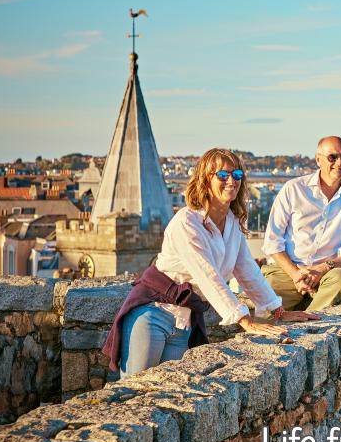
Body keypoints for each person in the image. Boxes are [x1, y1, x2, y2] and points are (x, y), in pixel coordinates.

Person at [102, 148, 316, 377]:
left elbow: (248, 271)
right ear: (205, 179)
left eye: (237, 175)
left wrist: (277, 311)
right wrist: (245, 321)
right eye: (222, 175)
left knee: (168, 388)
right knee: (135, 389)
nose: (231, 181)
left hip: (184, 320)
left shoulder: (232, 223)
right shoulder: (187, 222)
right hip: (152, 313)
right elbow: (208, 277)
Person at [261, 136, 341, 311]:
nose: (340, 162)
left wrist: (322, 268)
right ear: (318, 159)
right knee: (264, 316)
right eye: (332, 157)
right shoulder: (294, 189)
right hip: (287, 271)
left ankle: (309, 323)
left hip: (327, 275)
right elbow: (273, 241)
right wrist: (296, 274)